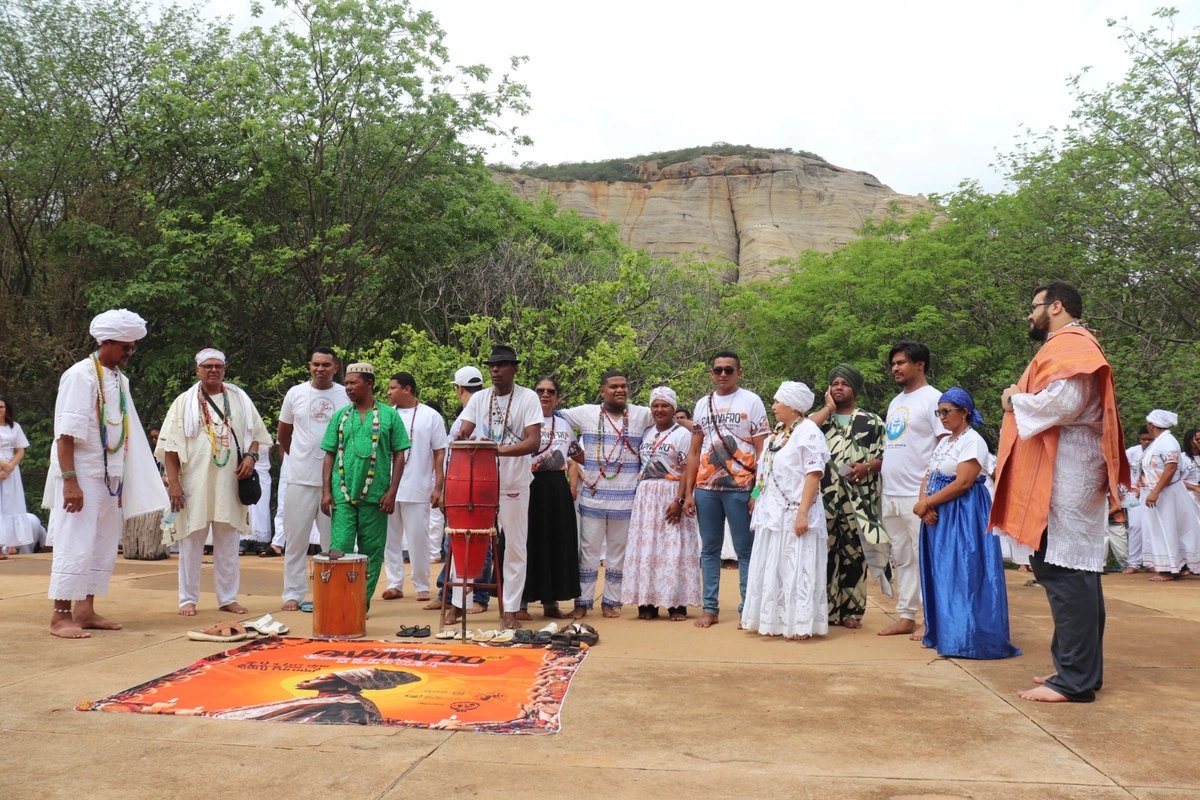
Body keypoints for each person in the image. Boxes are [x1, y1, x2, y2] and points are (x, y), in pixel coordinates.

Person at [990, 281, 1128, 703]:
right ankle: (1077, 669)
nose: (1028, 316)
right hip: (1067, 472)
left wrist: (1014, 399)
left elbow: (1064, 402)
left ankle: (1074, 681)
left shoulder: (1071, 343)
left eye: (1033, 307)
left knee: (1066, 575)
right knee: (1073, 575)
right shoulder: (1070, 343)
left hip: (1066, 476)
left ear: (1056, 306)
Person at [45, 309, 167, 639]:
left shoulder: (117, 378)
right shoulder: (80, 375)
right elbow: (65, 434)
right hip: (81, 475)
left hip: (109, 476)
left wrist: (124, 478)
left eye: (133, 347)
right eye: (126, 347)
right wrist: (70, 480)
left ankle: (85, 611)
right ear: (107, 342)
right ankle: (60, 616)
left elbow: (123, 434)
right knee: (75, 542)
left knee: (100, 545)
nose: (130, 353)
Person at [157, 348, 270, 616]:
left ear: (224, 369)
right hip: (194, 485)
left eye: (218, 366)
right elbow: (170, 448)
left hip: (229, 484)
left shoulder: (239, 398)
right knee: (191, 542)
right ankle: (187, 599)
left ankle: (228, 598)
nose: (213, 370)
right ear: (197, 371)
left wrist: (252, 457)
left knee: (229, 544)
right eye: (207, 366)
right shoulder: (183, 402)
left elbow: (257, 433)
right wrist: (174, 483)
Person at [913, 388, 1020, 659]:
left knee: (964, 572)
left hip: (964, 514)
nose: (942, 417)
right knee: (942, 572)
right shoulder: (945, 442)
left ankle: (967, 637)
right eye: (939, 412)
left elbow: (963, 482)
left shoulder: (973, 441)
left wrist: (928, 503)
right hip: (939, 513)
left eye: (946, 411)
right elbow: (930, 474)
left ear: (965, 412)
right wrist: (924, 501)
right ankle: (945, 631)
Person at [453, 345, 542, 630]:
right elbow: (463, 432)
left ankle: (511, 609)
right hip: (479, 482)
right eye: (492, 365)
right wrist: (467, 438)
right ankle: (457, 603)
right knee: (467, 539)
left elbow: (533, 442)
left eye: (502, 365)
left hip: (514, 483)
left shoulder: (528, 397)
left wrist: (495, 451)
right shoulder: (479, 398)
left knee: (514, 546)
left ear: (514, 369)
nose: (495, 370)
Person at [683, 351, 770, 629]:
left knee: (746, 550)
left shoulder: (751, 401)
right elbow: (695, 451)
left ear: (739, 373)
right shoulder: (702, 404)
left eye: (729, 370)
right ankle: (710, 608)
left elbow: (763, 452)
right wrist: (688, 492)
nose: (723, 374)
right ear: (711, 373)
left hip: (741, 487)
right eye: (718, 370)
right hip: (706, 488)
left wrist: (758, 493)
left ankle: (747, 608)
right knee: (709, 549)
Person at [559, 371, 654, 619]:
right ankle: (582, 602)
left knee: (618, 553)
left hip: (626, 500)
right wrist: (572, 452)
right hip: (592, 498)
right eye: (613, 387)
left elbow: (670, 417)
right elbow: (553, 417)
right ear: (602, 391)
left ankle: (611, 602)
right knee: (588, 552)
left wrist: (696, 429)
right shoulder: (587, 413)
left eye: (624, 386)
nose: (620, 390)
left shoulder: (642, 414)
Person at [741, 381, 831, 640]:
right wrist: (756, 497)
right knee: (774, 565)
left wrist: (802, 514)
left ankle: (799, 624)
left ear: (792, 406)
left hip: (795, 512)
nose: (773, 406)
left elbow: (814, 474)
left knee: (795, 565)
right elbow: (764, 472)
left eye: (777, 402)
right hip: (772, 513)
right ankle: (771, 620)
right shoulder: (778, 433)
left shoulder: (808, 432)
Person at [320, 363, 410, 612]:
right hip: (343, 495)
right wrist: (326, 492)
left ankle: (360, 606)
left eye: (353, 383)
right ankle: (339, 604)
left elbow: (400, 454)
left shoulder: (389, 416)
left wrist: (392, 492)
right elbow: (329, 454)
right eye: (346, 383)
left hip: (377, 496)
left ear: (368, 384)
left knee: (371, 553)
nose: (348, 387)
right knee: (340, 549)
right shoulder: (340, 416)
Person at [808, 364, 890, 630]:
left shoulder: (872, 421)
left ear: (855, 388)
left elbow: (886, 456)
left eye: (844, 383)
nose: (838, 387)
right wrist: (828, 409)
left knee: (855, 555)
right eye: (834, 383)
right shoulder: (820, 420)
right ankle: (826, 610)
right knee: (825, 554)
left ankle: (851, 612)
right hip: (823, 501)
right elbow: (800, 435)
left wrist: (867, 467)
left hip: (860, 501)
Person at [879, 340, 945, 638]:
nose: (895, 367)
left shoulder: (934, 399)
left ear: (920, 365)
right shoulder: (895, 402)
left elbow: (945, 447)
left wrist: (929, 496)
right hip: (891, 493)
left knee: (927, 557)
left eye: (902, 362)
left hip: (918, 496)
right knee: (902, 557)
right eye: (893, 363)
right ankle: (907, 615)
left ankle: (933, 619)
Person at [277, 347, 349, 610]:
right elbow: (284, 434)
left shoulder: (345, 394)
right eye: (316, 364)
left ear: (335, 368)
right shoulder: (295, 393)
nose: (321, 369)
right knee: (296, 539)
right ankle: (293, 594)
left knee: (334, 542)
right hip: (300, 478)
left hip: (335, 481)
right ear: (309, 366)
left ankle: (331, 592)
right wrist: (298, 459)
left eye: (326, 365)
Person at [621, 386, 700, 620]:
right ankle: (647, 603)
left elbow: (687, 469)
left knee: (673, 547)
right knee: (647, 549)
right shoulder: (646, 432)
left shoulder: (682, 434)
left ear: (673, 408)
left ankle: (676, 604)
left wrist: (680, 499)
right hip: (646, 496)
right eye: (655, 405)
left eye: (665, 405)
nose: (659, 409)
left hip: (671, 492)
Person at [428, 366, 492, 614]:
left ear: (459, 389)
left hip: (476, 488)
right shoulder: (464, 418)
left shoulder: (482, 416)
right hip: (459, 486)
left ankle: (479, 596)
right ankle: (446, 593)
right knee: (452, 541)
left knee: (480, 541)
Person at [381, 372, 447, 603]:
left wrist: (438, 487)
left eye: (392, 388)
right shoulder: (384, 414)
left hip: (417, 486)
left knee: (418, 538)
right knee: (390, 539)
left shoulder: (431, 416)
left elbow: (440, 453)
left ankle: (421, 584)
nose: (388, 392)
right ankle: (394, 584)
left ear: (406, 389)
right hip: (386, 488)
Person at [522, 377, 581, 618]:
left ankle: (551, 603)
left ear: (558, 397)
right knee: (526, 543)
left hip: (557, 488)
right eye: (540, 391)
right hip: (528, 485)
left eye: (551, 391)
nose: (545, 395)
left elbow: (576, 456)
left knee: (555, 543)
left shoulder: (564, 425)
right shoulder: (522, 420)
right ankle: (520, 603)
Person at [1139, 411, 1200, 580]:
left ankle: (1168, 569)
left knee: (1166, 527)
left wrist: (1156, 491)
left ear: (1151, 424)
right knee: (1163, 528)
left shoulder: (1167, 442)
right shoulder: (1160, 442)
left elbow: (1171, 467)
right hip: (1160, 491)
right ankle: (1175, 565)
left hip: (1166, 492)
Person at [0, 395, 33, 556]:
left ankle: (11, 545)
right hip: (2, 465)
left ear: (6, 409)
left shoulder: (14, 427)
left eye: (1, 407)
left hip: (11, 471)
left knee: (11, 505)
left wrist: (9, 467)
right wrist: (2, 465)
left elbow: (21, 449)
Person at [1122, 427, 1153, 573]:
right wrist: (1126, 490)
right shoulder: (1131, 452)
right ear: (1139, 438)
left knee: (1151, 526)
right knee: (1134, 525)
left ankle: (1150, 562)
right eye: (1144, 439)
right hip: (1133, 493)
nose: (1146, 442)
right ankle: (1133, 563)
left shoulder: (1158, 452)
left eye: (1149, 439)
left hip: (1152, 493)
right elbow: (1121, 471)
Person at [241, 442, 273, 555]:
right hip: (244, 474)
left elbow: (269, 451)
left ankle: (260, 543)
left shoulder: (266, 437)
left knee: (261, 510)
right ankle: (242, 541)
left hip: (262, 475)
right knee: (245, 509)